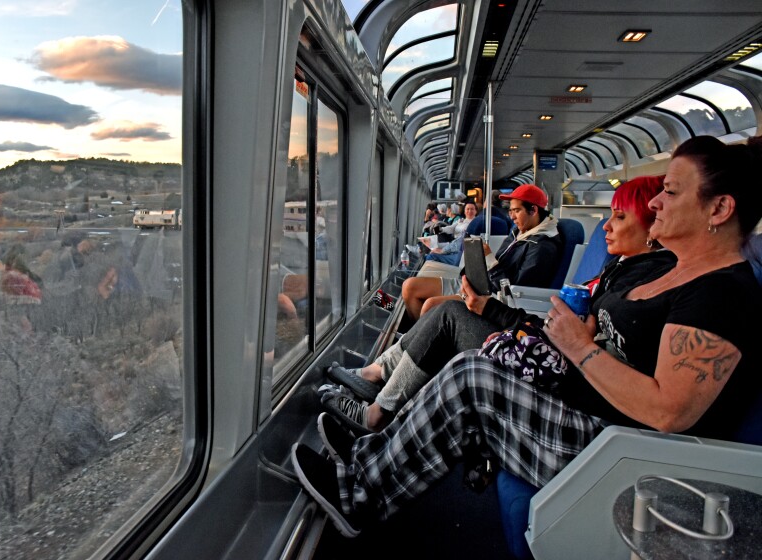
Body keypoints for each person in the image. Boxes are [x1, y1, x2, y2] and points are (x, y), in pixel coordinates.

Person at [295, 135, 762, 538]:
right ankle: (366, 456)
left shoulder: (721, 294)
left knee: (473, 378)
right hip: (584, 411)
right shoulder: (672, 276)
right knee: (471, 362)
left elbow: (669, 411)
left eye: (672, 192)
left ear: (719, 209)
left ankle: (359, 494)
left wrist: (578, 347)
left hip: (620, 456)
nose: (656, 202)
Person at [322, 175, 673, 433]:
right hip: (551, 350)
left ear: (652, 225)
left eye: (620, 217)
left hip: (563, 374)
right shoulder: (619, 271)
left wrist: (493, 295)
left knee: (443, 314)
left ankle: (379, 409)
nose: (607, 227)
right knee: (446, 310)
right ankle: (381, 378)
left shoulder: (549, 250)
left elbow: (528, 290)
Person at [402, 185, 561, 321]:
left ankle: (417, 347)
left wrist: (489, 260)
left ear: (533, 210)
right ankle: (414, 341)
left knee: (430, 305)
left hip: (490, 298)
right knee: (409, 286)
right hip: (481, 283)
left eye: (517, 211)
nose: (511, 216)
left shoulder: (542, 247)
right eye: (510, 210)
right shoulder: (518, 232)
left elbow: (511, 292)